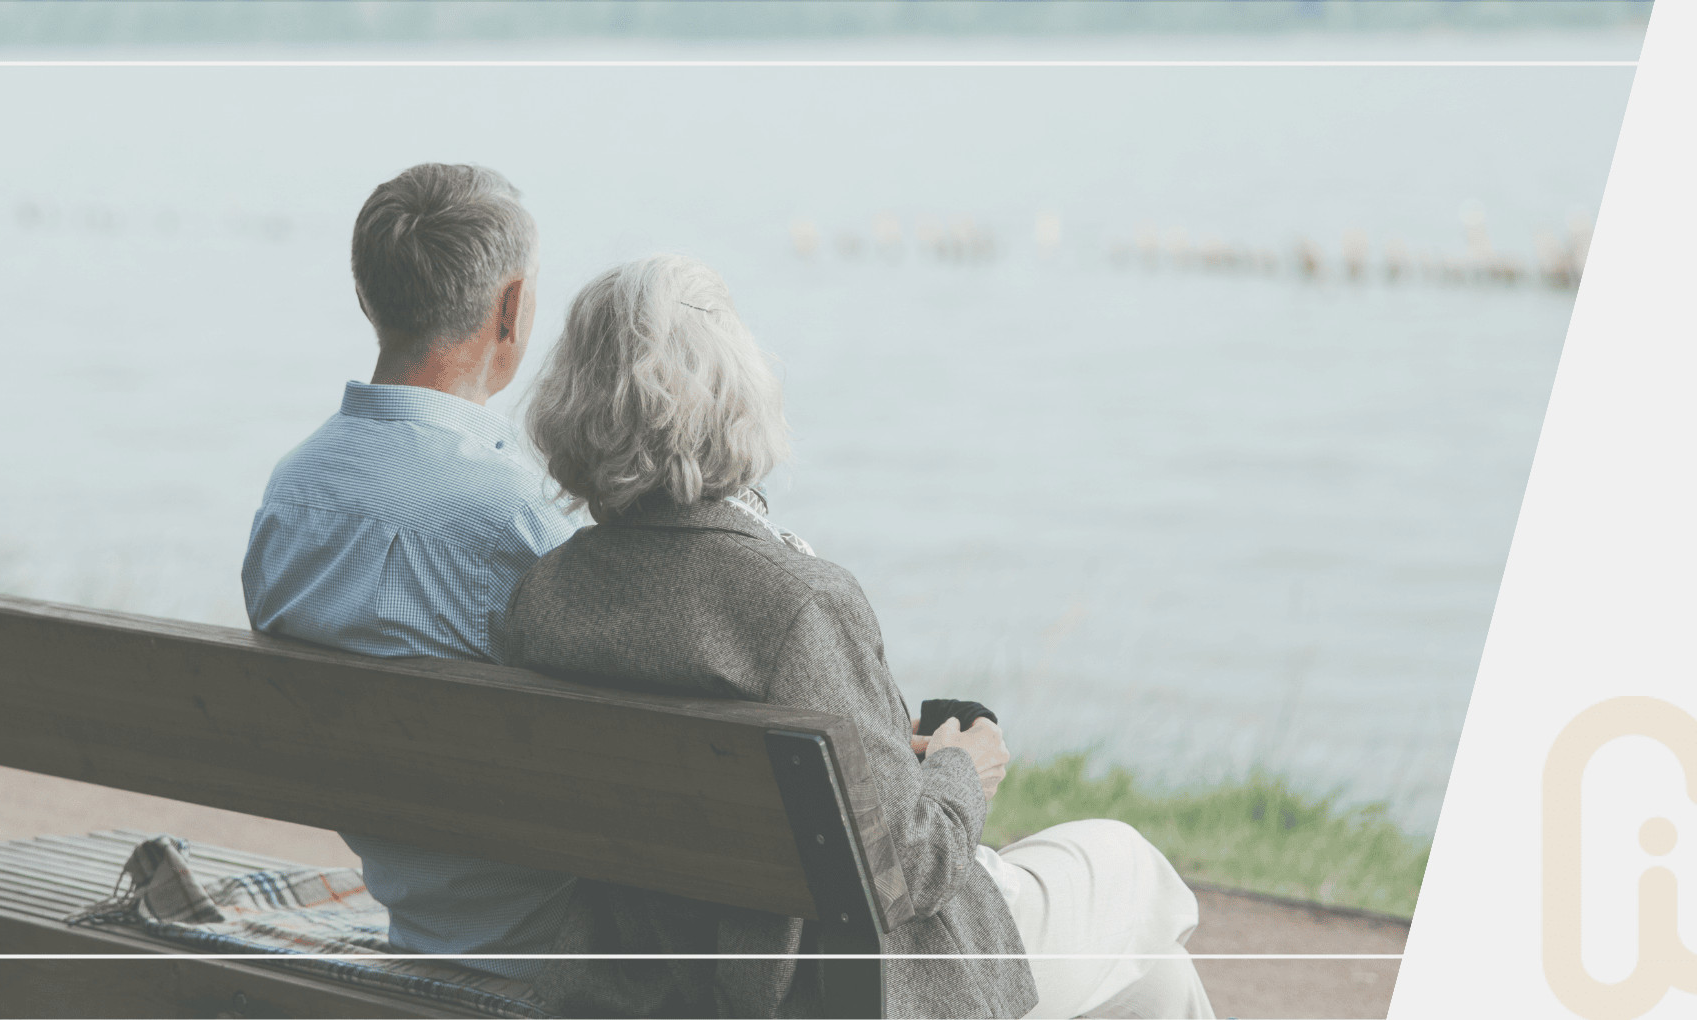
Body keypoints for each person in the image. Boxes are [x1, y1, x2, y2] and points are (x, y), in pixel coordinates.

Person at [499, 253, 1215, 1019]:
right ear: (740, 402)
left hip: (643, 978)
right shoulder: (798, 604)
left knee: (1159, 979)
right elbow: (906, 866)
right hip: (822, 985)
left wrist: (874, 742)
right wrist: (960, 770)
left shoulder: (545, 595)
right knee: (1131, 869)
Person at [239, 162, 576, 985]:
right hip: (555, 936)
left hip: (409, 901)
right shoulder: (518, 518)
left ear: (368, 299)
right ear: (512, 308)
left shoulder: (293, 495)